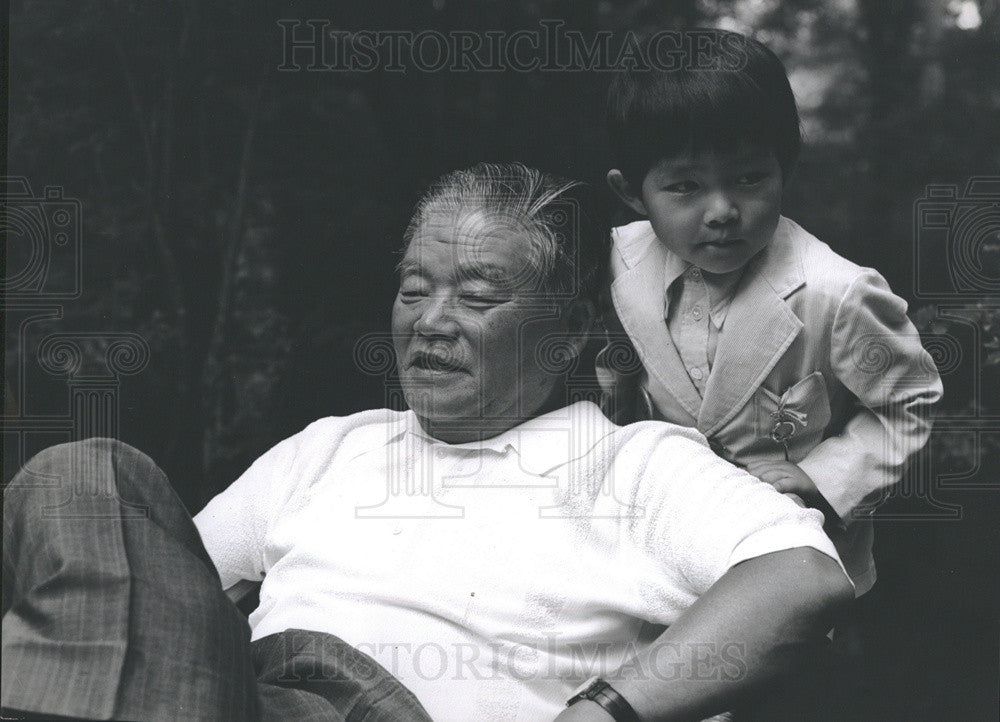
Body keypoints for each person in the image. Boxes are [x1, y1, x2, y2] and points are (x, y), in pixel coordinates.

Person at [3, 163, 853, 722]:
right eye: (415, 290)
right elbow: (128, 596)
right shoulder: (332, 449)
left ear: (567, 335)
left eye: (478, 297)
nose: (431, 323)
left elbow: (801, 577)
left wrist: (601, 714)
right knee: (90, 476)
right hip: (247, 697)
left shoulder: (634, 464)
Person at [599, 30, 943, 597]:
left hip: (796, 555)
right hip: (665, 548)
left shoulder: (837, 292)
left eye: (748, 178)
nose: (722, 211)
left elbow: (909, 401)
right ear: (633, 193)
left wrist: (823, 478)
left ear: (786, 168)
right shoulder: (616, 259)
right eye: (684, 186)